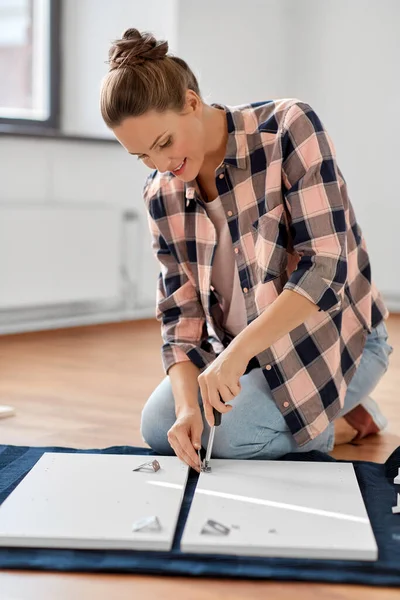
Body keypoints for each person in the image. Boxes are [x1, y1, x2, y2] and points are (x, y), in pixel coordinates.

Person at [100, 28, 393, 472]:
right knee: (160, 426)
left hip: (338, 340)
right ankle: (303, 414)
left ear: (192, 103)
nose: (162, 166)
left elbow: (325, 267)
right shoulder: (161, 192)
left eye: (163, 143)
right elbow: (180, 319)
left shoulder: (288, 127)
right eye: (141, 156)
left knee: (232, 440)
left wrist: (234, 357)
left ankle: (347, 422)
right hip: (246, 353)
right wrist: (185, 408)